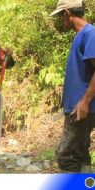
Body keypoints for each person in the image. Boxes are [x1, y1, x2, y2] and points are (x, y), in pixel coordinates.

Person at [50, 0, 95, 173]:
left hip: (82, 108)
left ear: (67, 13)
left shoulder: (90, 33)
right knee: (80, 154)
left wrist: (85, 100)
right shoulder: (81, 35)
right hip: (79, 107)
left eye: (61, 16)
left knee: (66, 155)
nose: (61, 21)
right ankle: (85, 184)